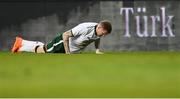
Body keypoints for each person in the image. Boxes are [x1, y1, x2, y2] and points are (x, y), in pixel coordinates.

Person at [11, 20, 112, 54]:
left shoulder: (98, 32)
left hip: (72, 50)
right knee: (43, 51)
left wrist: (97, 50)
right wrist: (67, 52)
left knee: (45, 47)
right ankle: (21, 45)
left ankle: (21, 42)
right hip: (62, 44)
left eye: (105, 34)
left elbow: (96, 39)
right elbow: (65, 35)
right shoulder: (85, 28)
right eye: (103, 33)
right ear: (99, 27)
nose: (103, 35)